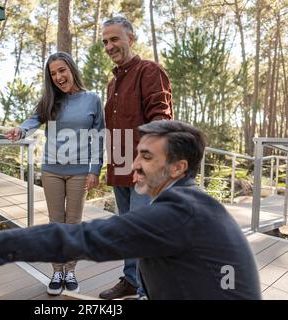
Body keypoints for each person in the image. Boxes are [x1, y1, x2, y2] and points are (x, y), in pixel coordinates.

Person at [0, 120, 262, 300]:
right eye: (136, 154)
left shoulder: (177, 213)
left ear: (178, 168)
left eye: (146, 157)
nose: (133, 165)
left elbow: (80, 237)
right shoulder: (190, 205)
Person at [3, 52, 104, 295]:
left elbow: (100, 136)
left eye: (62, 70)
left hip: (80, 172)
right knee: (56, 223)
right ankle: (57, 271)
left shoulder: (92, 99)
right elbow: (33, 120)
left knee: (74, 224)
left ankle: (70, 270)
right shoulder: (50, 100)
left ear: (71, 69)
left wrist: (95, 170)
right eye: (53, 73)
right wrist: (20, 130)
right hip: (52, 171)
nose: (58, 76)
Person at [100, 16, 173, 299]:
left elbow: (161, 119)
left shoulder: (149, 71)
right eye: (105, 41)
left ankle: (148, 290)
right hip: (119, 166)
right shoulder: (111, 84)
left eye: (115, 39)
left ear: (131, 39)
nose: (109, 46)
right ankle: (132, 280)